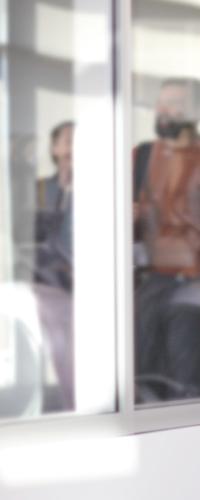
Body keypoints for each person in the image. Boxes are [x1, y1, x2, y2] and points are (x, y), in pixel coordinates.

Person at [133, 78, 200, 402]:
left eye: (174, 104)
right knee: (143, 386)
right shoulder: (141, 157)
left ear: (198, 111)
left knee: (185, 389)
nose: (162, 110)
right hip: (148, 286)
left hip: (196, 285)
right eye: (161, 103)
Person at [32, 121, 76, 410]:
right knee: (61, 354)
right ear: (55, 148)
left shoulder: (102, 187)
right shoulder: (40, 189)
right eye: (69, 141)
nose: (74, 148)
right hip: (50, 286)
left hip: (89, 286)